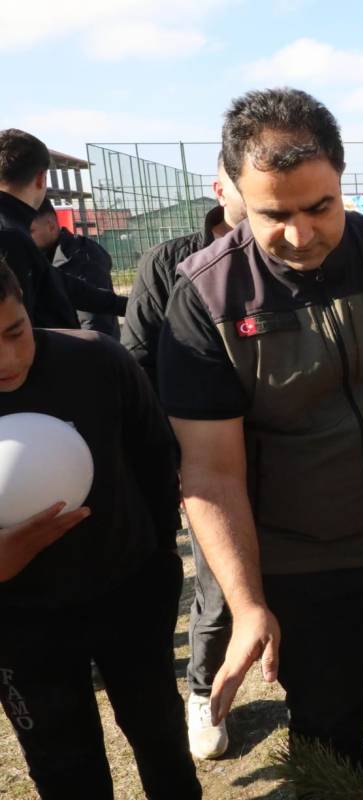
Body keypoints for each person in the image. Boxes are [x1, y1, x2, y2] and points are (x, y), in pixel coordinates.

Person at [157, 87, 363, 775]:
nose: (301, 234)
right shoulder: (207, 300)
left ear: (341, 176)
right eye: (274, 214)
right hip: (303, 568)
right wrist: (246, 605)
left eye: (320, 207)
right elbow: (210, 472)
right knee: (328, 727)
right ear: (236, 192)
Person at [0, 258, 201, 799]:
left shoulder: (95, 360)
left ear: (24, 303)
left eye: (14, 331)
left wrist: (158, 562)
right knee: (65, 765)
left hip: (128, 591)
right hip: (20, 624)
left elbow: (156, 459)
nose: (6, 359)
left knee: (161, 736)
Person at [119, 155, 245, 760]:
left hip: (279, 454)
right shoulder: (169, 262)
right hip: (201, 457)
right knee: (219, 585)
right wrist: (170, 452)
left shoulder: (291, 260)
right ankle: (205, 696)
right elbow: (137, 360)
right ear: (223, 186)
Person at [123, 155, 246, 387]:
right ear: (220, 192)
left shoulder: (303, 251)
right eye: (245, 188)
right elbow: (140, 357)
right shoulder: (164, 262)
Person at [0, 129, 78, 328]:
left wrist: (123, 304)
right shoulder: (11, 237)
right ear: (41, 178)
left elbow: (55, 281)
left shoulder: (16, 230)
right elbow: (18, 332)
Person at [29, 200, 122, 338]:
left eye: (30, 231)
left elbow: (94, 323)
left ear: (51, 226)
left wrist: (88, 356)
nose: (23, 236)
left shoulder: (80, 257)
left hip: (79, 351)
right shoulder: (38, 256)